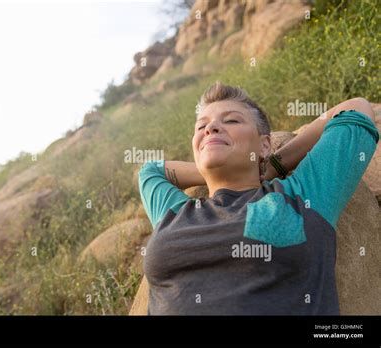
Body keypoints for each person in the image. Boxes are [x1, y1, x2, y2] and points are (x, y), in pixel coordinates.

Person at [138, 81, 379, 315]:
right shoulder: (176, 213)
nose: (210, 129)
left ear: (264, 144)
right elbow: (150, 171)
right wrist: (210, 168)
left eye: (231, 120)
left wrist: (272, 164)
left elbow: (356, 108)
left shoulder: (301, 195)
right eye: (202, 127)